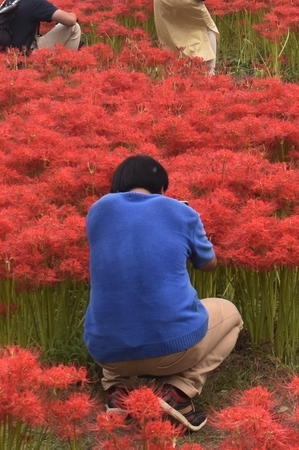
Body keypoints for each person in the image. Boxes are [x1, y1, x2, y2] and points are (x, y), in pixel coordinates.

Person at [84, 154, 241, 432]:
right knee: (231, 314)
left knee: (113, 319)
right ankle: (180, 393)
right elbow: (209, 264)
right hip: (173, 350)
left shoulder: (97, 211)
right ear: (162, 189)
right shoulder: (181, 213)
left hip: (106, 352)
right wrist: (189, 220)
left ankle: (116, 391)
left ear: (116, 187)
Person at [0, 0, 81, 53]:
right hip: (26, 54)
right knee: (74, 27)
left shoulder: (7, 1)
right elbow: (70, 21)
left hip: (6, 53)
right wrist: (73, 14)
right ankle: (66, 63)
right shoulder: (34, 2)